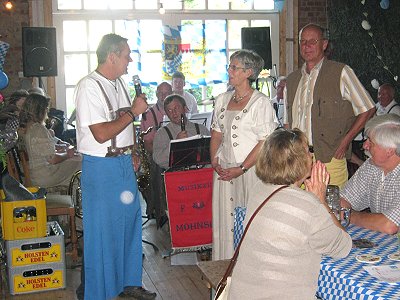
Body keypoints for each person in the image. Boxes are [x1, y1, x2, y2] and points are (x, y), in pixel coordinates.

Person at [74, 33, 156, 300]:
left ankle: (129, 284)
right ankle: (101, 293)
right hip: (100, 167)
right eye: (126, 55)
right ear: (111, 56)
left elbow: (125, 125)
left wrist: (131, 151)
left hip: (122, 163)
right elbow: (100, 133)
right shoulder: (88, 86)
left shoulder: (119, 82)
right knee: (103, 232)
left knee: (130, 224)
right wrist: (134, 111)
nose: (129, 60)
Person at [229, 128, 352, 299]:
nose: (311, 155)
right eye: (308, 150)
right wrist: (321, 201)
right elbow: (343, 247)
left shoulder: (258, 190)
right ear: (299, 161)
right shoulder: (308, 205)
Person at [285, 23, 376, 188]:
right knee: (301, 210)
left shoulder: (341, 72)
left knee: (331, 211)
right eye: (303, 41)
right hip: (297, 161)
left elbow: (368, 108)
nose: (307, 46)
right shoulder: (291, 80)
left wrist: (345, 142)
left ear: (324, 44)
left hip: (330, 159)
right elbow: (287, 123)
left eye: (313, 41)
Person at [210, 49, 278, 260]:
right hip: (223, 171)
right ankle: (224, 275)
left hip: (249, 172)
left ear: (249, 72)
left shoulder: (261, 102)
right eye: (229, 66)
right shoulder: (222, 99)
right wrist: (214, 160)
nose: (229, 71)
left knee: (248, 221)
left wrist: (241, 169)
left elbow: (264, 141)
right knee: (224, 224)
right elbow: (216, 134)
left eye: (234, 67)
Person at [340, 114, 400, 234]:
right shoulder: (372, 165)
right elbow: (343, 200)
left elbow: (390, 225)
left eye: (370, 142)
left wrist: (349, 216)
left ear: (389, 150)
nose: (365, 145)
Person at [21, 93, 81, 188]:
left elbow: (42, 153)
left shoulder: (29, 127)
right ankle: (77, 198)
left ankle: (74, 198)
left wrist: (61, 151)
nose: (47, 111)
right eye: (46, 109)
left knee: (76, 159)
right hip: (45, 176)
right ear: (40, 110)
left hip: (37, 173)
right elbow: (52, 159)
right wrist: (68, 154)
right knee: (81, 162)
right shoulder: (38, 129)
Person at [140, 82, 172, 222]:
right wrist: (164, 156)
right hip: (155, 153)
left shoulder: (177, 109)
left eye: (166, 93)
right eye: (160, 93)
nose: (163, 96)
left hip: (174, 152)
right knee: (157, 167)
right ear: (156, 94)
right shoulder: (148, 115)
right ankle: (159, 210)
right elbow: (147, 144)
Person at [153, 94, 209, 170]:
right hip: (177, 176)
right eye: (169, 110)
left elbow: (212, 154)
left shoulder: (201, 129)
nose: (174, 113)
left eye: (177, 108)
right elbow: (158, 159)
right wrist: (176, 144)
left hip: (201, 174)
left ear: (185, 108)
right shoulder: (162, 133)